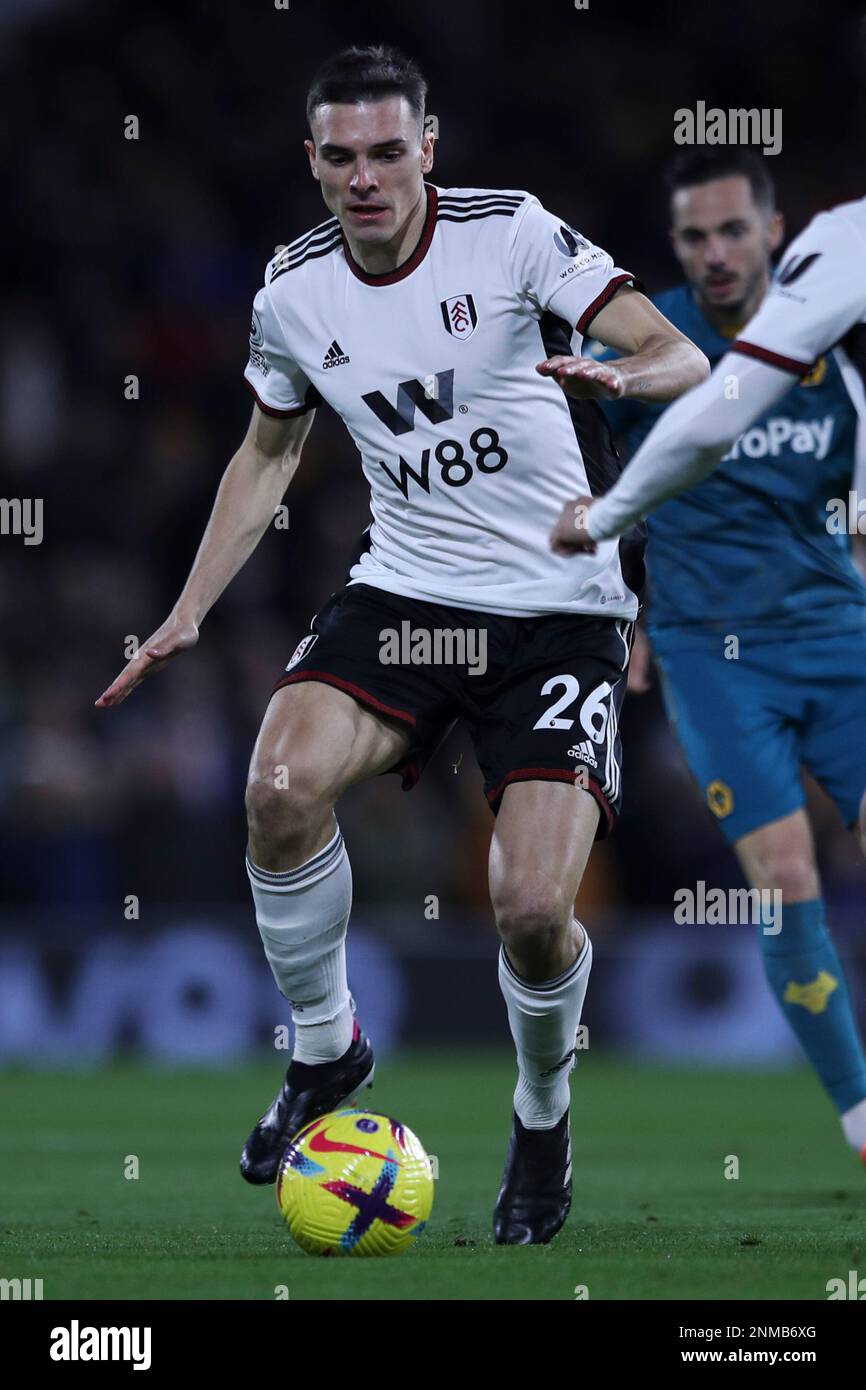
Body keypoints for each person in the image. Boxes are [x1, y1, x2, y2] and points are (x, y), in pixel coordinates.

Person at [96, 43, 708, 1243]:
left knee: (531, 907)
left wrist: (624, 378)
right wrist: (187, 609)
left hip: (559, 609)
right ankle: (326, 1053)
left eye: (390, 151)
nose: (367, 177)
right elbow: (269, 449)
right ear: (311, 162)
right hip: (407, 593)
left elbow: (679, 351)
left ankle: (541, 1115)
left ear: (427, 147)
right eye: (342, 156)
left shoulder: (511, 232)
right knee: (277, 786)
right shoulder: (291, 291)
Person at [553, 167, 866, 1164]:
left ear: (774, 230)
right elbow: (589, 486)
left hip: (837, 639)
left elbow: (854, 521)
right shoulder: (639, 349)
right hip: (711, 655)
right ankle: (861, 1122)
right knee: (781, 877)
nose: (716, 254)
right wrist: (628, 607)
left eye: (734, 231)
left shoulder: (832, 355)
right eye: (694, 239)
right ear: (674, 246)